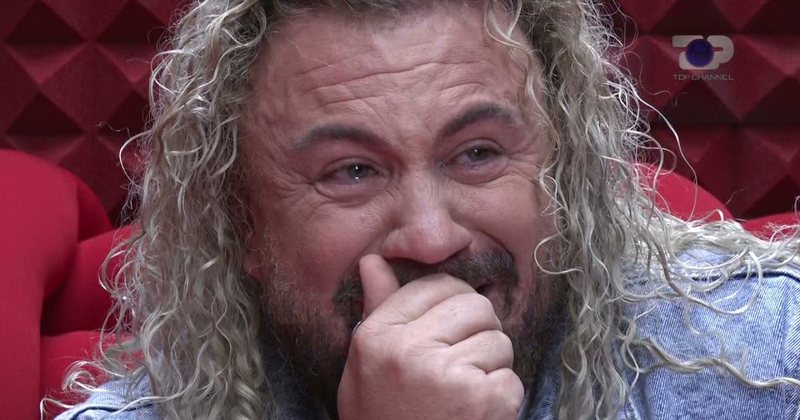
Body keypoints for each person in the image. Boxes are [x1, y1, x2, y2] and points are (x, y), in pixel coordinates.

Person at [51, 0, 800, 419]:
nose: (433, 238)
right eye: (352, 171)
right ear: (243, 223)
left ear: (564, 171)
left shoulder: (770, 355)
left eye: (476, 154)